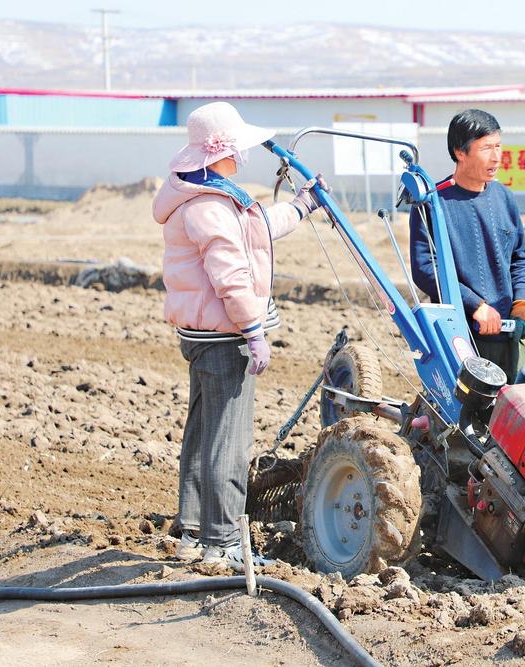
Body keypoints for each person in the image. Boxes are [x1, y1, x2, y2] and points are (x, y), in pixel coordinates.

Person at [152, 102, 325, 570]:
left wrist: (302, 205)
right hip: (223, 335)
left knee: (203, 433)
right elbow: (230, 275)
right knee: (227, 440)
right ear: (223, 151)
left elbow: (257, 231)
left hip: (202, 332)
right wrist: (252, 331)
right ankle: (223, 542)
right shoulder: (208, 205)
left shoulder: (204, 194)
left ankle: (192, 533)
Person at [409, 109, 525, 382]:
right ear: (460, 152)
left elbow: (518, 259)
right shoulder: (433, 202)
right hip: (459, 334)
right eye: (486, 148)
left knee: (510, 411)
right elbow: (424, 267)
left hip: (506, 332)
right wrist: (474, 305)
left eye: (498, 146)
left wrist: (523, 302)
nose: (496, 157)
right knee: (462, 414)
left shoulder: (505, 198)